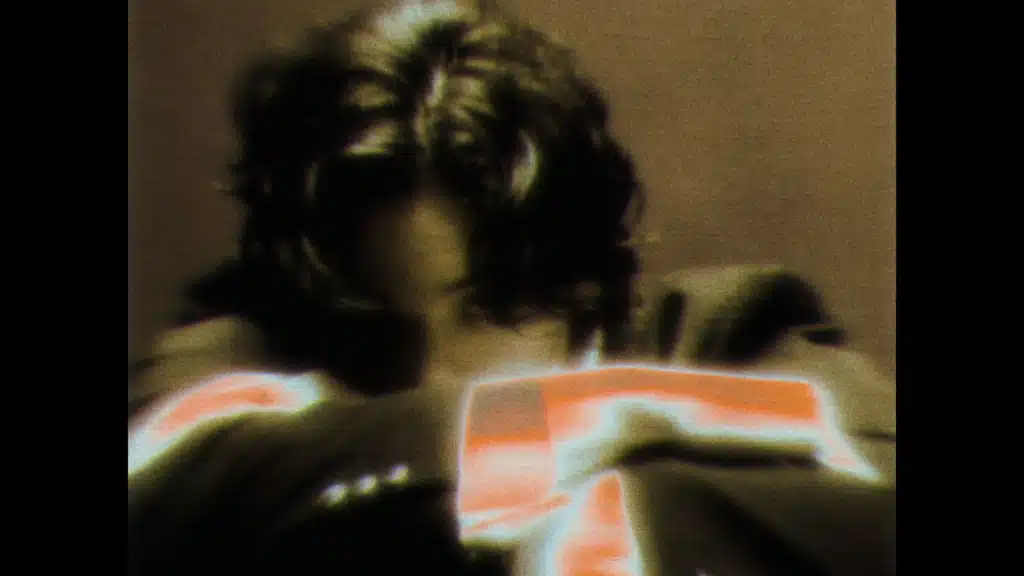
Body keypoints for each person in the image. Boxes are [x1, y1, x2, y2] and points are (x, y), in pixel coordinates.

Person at [128, 2, 895, 574]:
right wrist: (592, 415)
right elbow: (151, 483)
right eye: (377, 331)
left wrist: (632, 504)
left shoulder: (734, 328)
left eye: (484, 310)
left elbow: (876, 479)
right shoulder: (252, 342)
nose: (431, 376)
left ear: (576, 283)